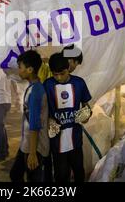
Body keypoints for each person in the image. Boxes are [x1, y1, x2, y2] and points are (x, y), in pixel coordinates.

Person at [44, 53, 92, 182]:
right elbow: (43, 110)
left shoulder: (79, 83)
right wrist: (49, 120)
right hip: (57, 139)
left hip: (75, 138)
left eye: (62, 73)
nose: (59, 77)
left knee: (78, 171)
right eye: (55, 74)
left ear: (68, 68)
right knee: (61, 174)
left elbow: (86, 107)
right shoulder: (47, 85)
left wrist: (86, 115)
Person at [10, 50, 49, 182]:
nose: (18, 71)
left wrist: (32, 154)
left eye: (20, 67)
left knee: (32, 180)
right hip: (27, 144)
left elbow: (34, 124)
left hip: (35, 146)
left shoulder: (36, 91)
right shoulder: (33, 87)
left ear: (30, 69)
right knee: (15, 174)